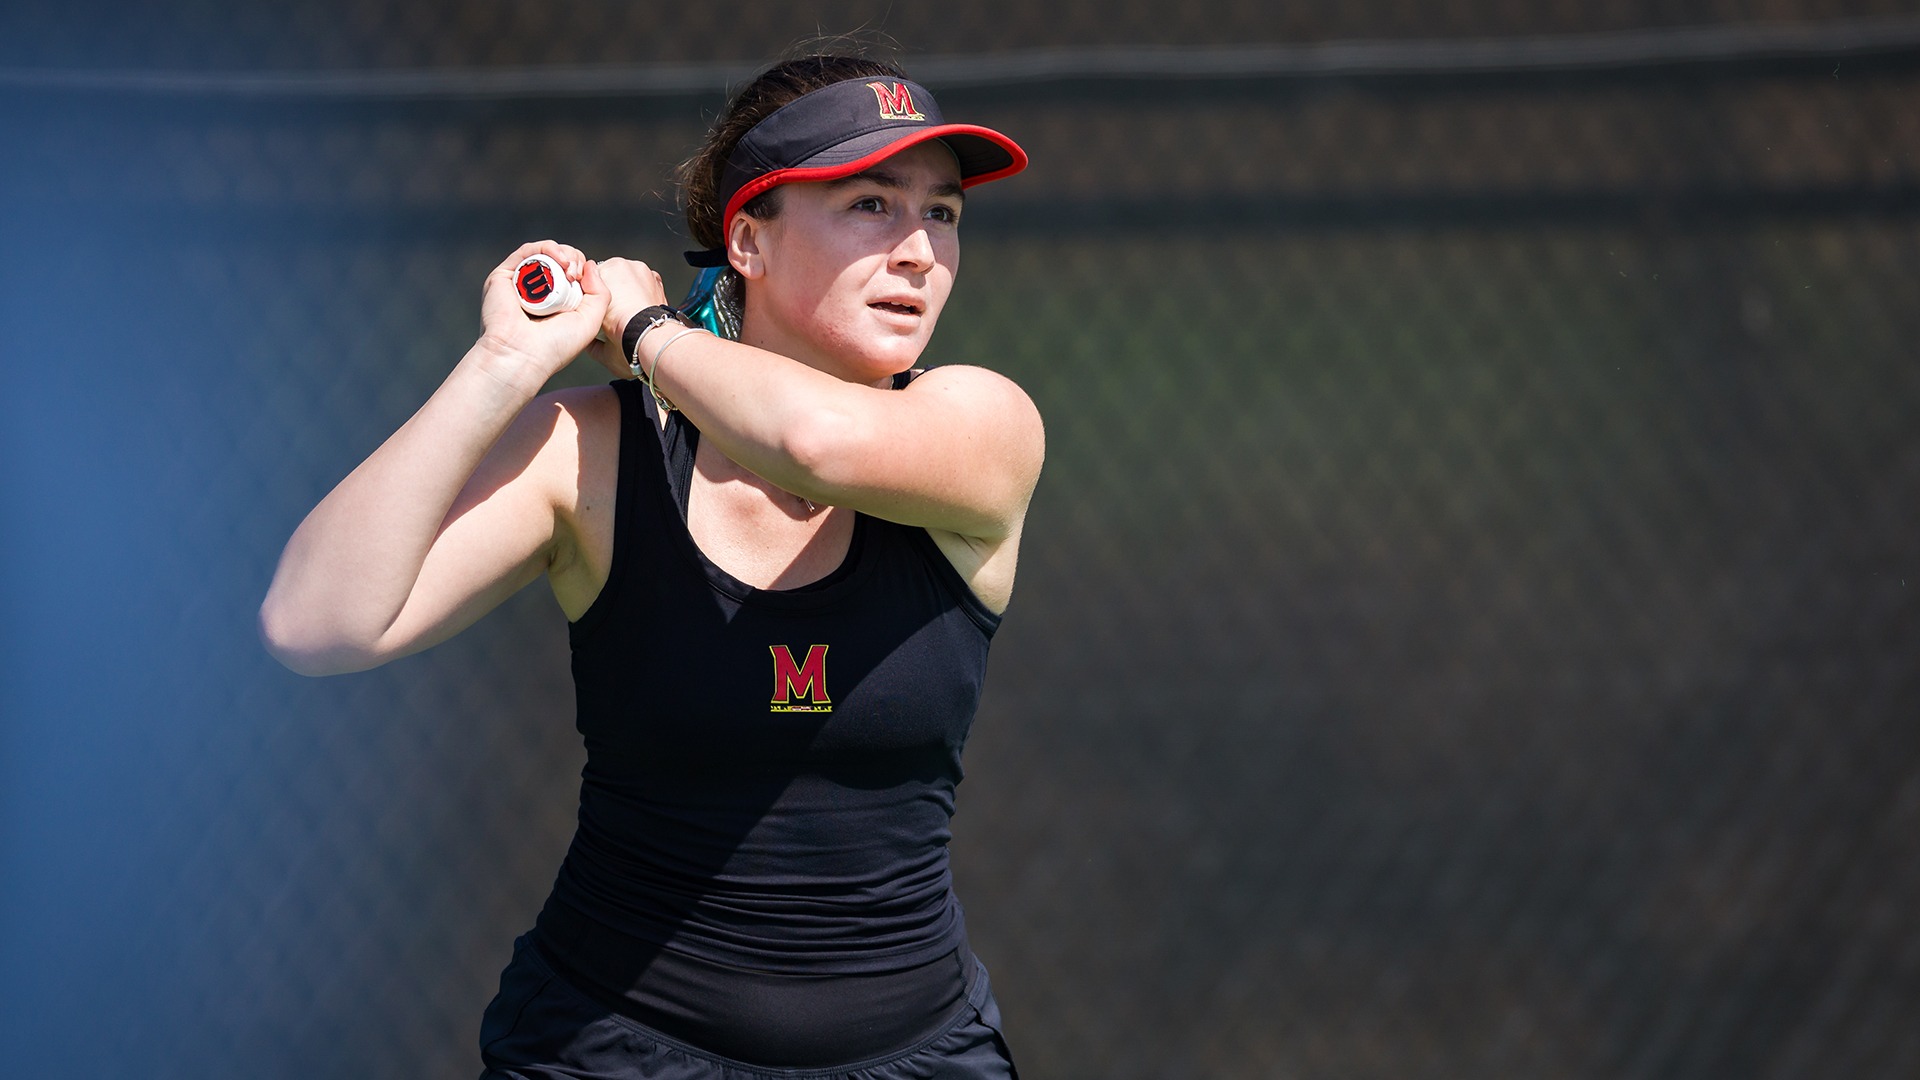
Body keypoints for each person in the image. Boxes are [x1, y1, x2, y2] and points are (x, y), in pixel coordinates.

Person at [258, 50, 1041, 1080]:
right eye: (869, 203)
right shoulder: (597, 451)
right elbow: (318, 623)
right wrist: (504, 367)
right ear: (749, 241)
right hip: (607, 1049)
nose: (918, 252)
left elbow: (813, 444)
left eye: (942, 214)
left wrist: (645, 330)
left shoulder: (982, 422)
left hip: (919, 1053)